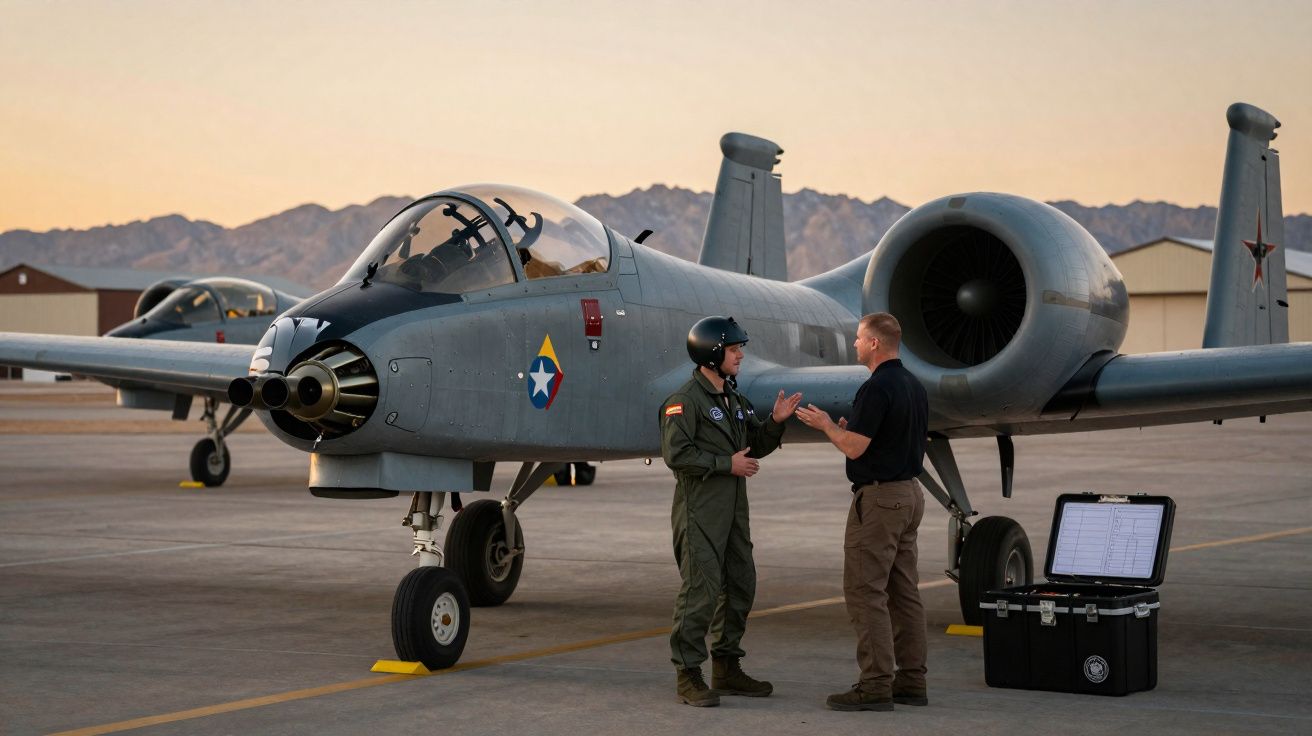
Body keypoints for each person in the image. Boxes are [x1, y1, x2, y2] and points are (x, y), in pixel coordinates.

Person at [660, 315, 802, 707]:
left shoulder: (734, 400)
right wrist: (727, 465)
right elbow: (677, 455)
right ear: (713, 353)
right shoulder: (683, 402)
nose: (740, 355)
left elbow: (752, 445)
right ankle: (688, 674)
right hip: (700, 512)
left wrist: (774, 422)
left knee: (741, 584)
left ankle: (726, 666)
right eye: (734, 349)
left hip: (734, 515)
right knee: (700, 592)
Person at [795, 312, 929, 712]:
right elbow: (882, 436)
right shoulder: (912, 384)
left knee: (864, 591)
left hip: (881, 500)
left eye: (858, 338)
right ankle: (911, 681)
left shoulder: (877, 387)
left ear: (874, 343)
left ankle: (874, 685)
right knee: (904, 593)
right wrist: (846, 428)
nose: (853, 343)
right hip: (909, 495)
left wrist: (825, 426)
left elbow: (854, 448)